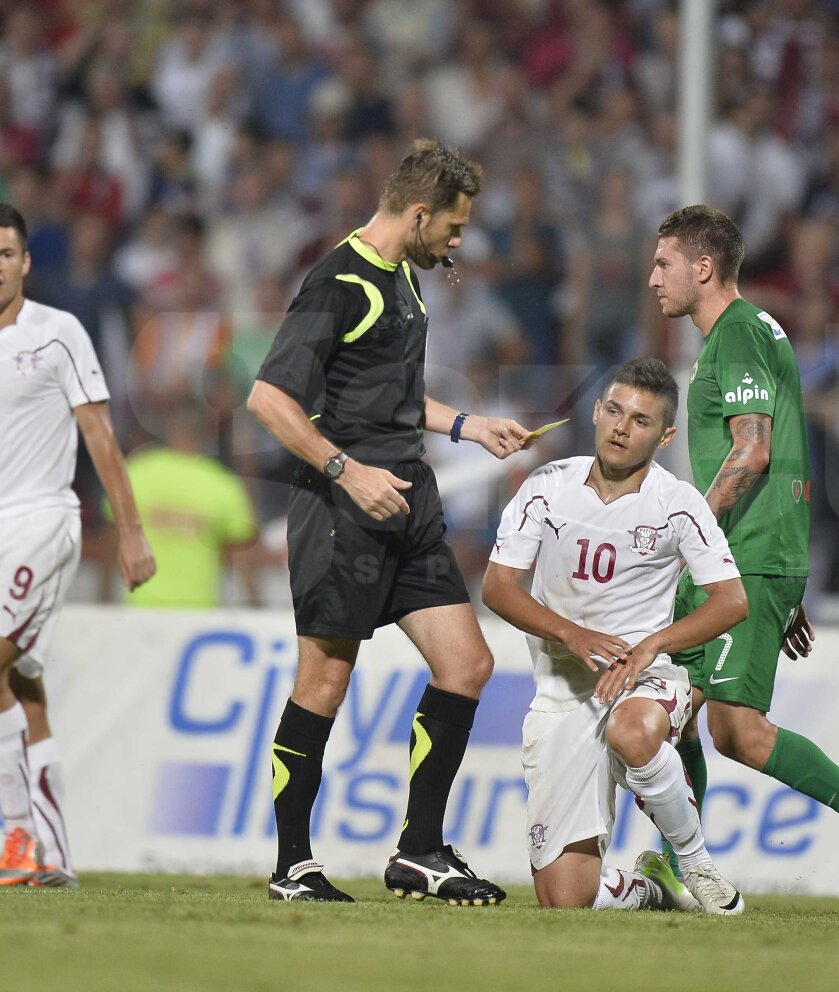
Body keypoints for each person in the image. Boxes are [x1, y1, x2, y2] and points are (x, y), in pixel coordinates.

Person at [247, 139, 531, 905]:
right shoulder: (338, 281)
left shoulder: (403, 277)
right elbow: (269, 398)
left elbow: (391, 398)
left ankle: (420, 853)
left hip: (408, 500)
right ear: (418, 214)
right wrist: (346, 469)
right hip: (342, 509)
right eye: (456, 226)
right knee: (325, 679)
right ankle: (294, 868)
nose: (459, 241)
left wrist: (467, 424)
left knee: (467, 664)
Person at [647, 205, 839, 913]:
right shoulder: (760, 330)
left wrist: (690, 532)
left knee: (728, 728)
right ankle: (685, 860)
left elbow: (754, 451)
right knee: (683, 712)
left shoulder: (737, 335)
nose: (653, 279)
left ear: (702, 268)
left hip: (741, 557)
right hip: (756, 552)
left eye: (664, 264)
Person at [482, 358, 749, 914]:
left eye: (642, 420)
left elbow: (732, 601)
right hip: (564, 699)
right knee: (564, 898)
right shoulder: (547, 487)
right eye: (614, 411)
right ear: (598, 412)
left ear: (665, 434)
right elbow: (498, 587)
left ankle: (694, 860)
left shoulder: (678, 503)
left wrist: (653, 645)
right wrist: (571, 634)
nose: (623, 427)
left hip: (644, 679)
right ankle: (652, 890)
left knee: (633, 732)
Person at [0, 202, 156, 888]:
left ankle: (14, 838)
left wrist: (129, 530)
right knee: (22, 685)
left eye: (6, 254)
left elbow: (98, 432)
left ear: (25, 262)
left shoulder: (56, 332)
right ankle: (53, 853)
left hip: (41, 519)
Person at [106, 403, 260, 608]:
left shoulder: (136, 471)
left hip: (141, 606)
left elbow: (111, 537)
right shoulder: (223, 483)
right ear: (206, 435)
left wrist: (103, 594)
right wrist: (255, 604)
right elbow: (244, 555)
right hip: (199, 610)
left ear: (169, 431)